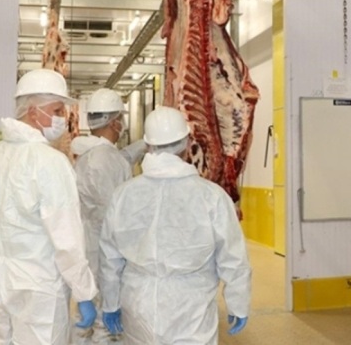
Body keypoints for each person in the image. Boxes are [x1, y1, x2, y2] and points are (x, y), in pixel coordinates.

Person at [0, 68, 97, 345]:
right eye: (58, 110)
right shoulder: (50, 162)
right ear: (35, 112)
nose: (63, 118)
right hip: (41, 286)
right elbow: (67, 239)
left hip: (3, 281)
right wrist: (84, 292)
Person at [99, 106, 251, 344]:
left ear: (148, 146)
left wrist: (110, 302)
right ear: (187, 142)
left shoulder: (124, 194)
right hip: (191, 307)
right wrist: (238, 303)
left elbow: (110, 257)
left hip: (139, 302)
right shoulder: (211, 196)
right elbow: (232, 257)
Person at [73, 89, 138, 344]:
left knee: (97, 311)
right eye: (120, 118)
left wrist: (143, 145)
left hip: (92, 242)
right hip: (105, 246)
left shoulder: (93, 154)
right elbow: (115, 212)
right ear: (114, 122)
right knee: (106, 319)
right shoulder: (103, 159)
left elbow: (119, 160)